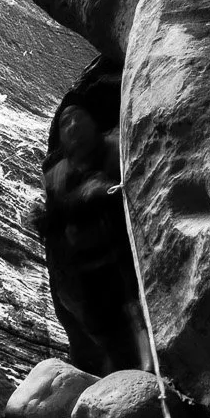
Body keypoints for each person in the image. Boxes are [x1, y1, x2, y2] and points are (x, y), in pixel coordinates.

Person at [35, 61, 145, 375]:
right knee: (107, 336)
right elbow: (56, 224)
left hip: (124, 260)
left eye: (78, 117)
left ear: (94, 124)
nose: (72, 126)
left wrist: (100, 191)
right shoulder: (57, 176)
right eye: (65, 123)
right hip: (87, 274)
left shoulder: (117, 148)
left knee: (132, 317)